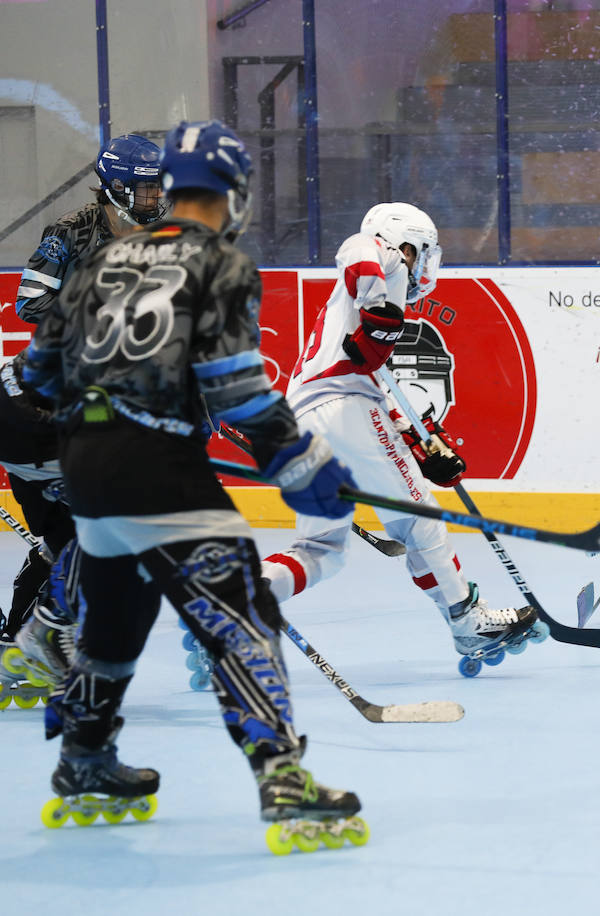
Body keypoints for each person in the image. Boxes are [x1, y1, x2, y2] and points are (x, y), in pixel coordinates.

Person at [23, 119, 363, 836]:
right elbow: (240, 394)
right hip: (160, 473)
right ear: (232, 193)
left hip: (86, 471)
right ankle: (283, 776)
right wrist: (307, 470)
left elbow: (38, 374)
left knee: (115, 625)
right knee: (242, 618)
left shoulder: (99, 261)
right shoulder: (222, 265)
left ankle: (84, 759)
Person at [258, 201, 544, 672]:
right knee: (417, 520)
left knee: (320, 550)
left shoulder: (354, 307)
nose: (427, 263)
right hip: (342, 408)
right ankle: (468, 622)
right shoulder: (383, 259)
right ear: (408, 245)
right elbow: (358, 251)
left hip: (307, 422)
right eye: (425, 251)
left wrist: (424, 444)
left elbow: (383, 393)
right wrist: (381, 313)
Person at [1, 135, 164, 650]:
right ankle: (29, 634)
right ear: (114, 188)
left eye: (158, 188)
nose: (154, 199)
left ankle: (31, 631)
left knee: (76, 532)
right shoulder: (70, 231)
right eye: (143, 191)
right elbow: (30, 303)